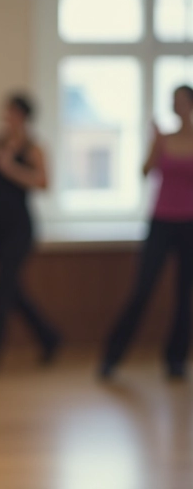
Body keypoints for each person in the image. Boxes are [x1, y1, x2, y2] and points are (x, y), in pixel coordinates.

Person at [100, 85, 193, 381]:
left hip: (190, 224)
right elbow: (144, 172)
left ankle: (176, 359)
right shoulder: (163, 139)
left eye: (181, 101)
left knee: (185, 295)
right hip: (161, 221)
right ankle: (112, 355)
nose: (176, 106)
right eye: (173, 101)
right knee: (142, 289)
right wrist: (153, 144)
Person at [0, 93, 60, 373]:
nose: (7, 117)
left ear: (23, 116)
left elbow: (43, 183)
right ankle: (50, 338)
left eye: (12, 112)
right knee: (11, 289)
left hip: (21, 226)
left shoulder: (34, 148)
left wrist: (11, 168)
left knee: (1, 289)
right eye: (6, 112)